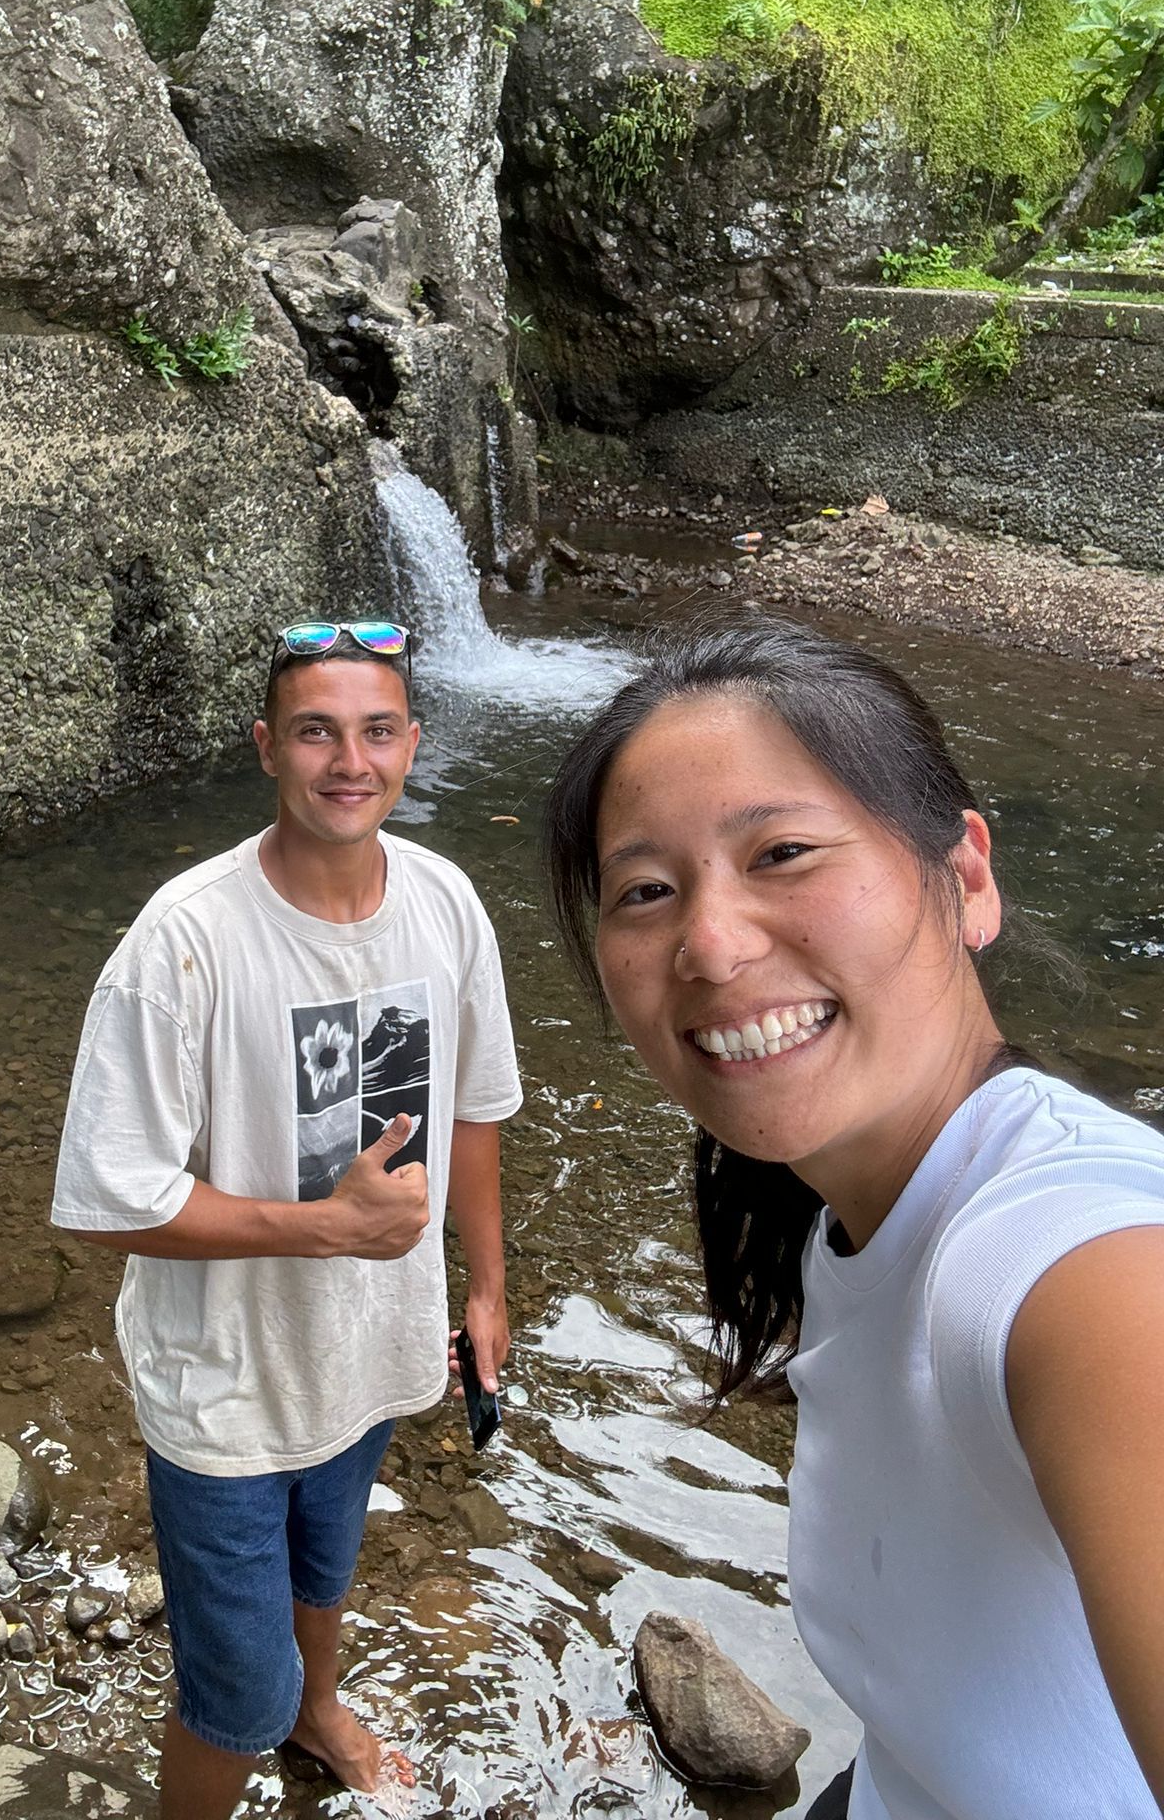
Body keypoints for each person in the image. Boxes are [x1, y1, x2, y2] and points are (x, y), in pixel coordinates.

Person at [540, 609, 1164, 1820]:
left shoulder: (1078, 1269)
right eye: (649, 888)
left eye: (782, 852)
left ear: (966, 875)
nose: (711, 944)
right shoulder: (846, 1213)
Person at [50, 619, 522, 1820]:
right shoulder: (185, 939)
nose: (346, 760)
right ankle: (261, 1733)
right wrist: (324, 1226)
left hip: (369, 1342)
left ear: (414, 743)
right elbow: (114, 1200)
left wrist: (484, 1289)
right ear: (268, 747)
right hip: (224, 1380)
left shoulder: (447, 901)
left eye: (375, 731)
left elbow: (474, 1108)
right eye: (316, 731)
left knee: (328, 1562)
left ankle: (322, 1708)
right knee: (232, 1694)